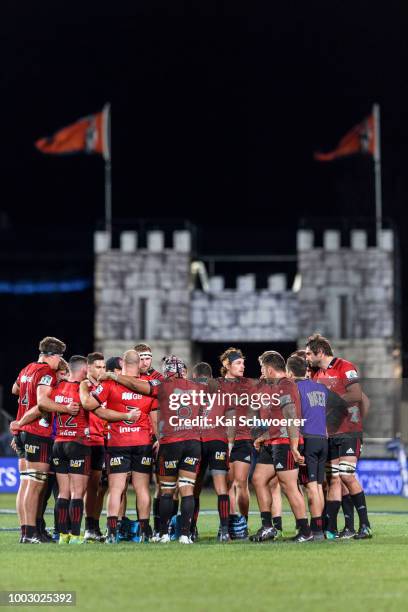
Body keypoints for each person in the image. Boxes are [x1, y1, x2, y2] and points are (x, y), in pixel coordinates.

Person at [98, 354, 202, 544]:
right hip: (193, 442)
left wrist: (114, 376)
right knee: (187, 490)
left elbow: (140, 387)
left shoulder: (163, 387)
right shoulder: (197, 388)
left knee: (167, 490)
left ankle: (161, 533)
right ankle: (185, 535)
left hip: (170, 442)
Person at [81, 350, 157, 543]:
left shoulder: (109, 383)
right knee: (142, 489)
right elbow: (156, 420)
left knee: (116, 488)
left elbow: (89, 404)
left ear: (122, 363)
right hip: (142, 442)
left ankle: (112, 532)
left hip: (118, 442)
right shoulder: (147, 386)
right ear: (139, 364)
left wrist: (101, 410)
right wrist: (159, 440)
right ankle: (145, 532)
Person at [10, 336, 79, 543]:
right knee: (35, 483)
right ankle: (31, 533)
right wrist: (65, 408)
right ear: (53, 356)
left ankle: (27, 531)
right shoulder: (46, 372)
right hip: (36, 431)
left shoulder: (27, 369)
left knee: (26, 483)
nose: (61, 361)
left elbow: (15, 390)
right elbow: (42, 403)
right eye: (60, 357)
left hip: (22, 430)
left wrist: (26, 404)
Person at [305, 333, 372, 539]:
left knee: (346, 475)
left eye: (309, 353)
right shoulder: (316, 375)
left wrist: (358, 425)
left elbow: (358, 395)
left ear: (320, 352)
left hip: (348, 433)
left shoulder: (345, 367)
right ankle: (337, 528)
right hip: (329, 435)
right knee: (335, 479)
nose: (307, 357)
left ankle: (365, 526)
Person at [251, 351, 313, 543]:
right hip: (272, 442)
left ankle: (305, 531)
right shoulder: (272, 386)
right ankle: (268, 527)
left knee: (289, 486)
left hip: (285, 443)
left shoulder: (286, 386)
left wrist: (294, 447)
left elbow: (291, 418)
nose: (261, 372)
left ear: (270, 369)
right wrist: (264, 436)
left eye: (262, 368)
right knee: (258, 479)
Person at [286, 354, 348, 540]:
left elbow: (293, 420)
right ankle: (319, 529)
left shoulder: (294, 389)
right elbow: (342, 407)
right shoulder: (320, 388)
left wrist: (294, 447)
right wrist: (327, 426)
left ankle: (316, 531)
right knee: (319, 486)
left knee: (311, 487)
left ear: (289, 372)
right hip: (322, 440)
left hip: (309, 440)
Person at [192, 362, 231, 542]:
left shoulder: (191, 391)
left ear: (195, 375)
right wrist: (229, 443)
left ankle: (191, 529)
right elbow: (231, 416)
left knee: (194, 489)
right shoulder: (222, 391)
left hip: (198, 442)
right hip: (218, 441)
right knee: (221, 487)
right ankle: (224, 531)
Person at [219, 347, 251, 539]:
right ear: (227, 365)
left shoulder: (248, 385)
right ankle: (230, 523)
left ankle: (243, 522)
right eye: (238, 363)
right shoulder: (217, 385)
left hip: (243, 438)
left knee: (241, 483)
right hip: (223, 440)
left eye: (243, 363)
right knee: (228, 483)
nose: (242, 366)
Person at [83, 352, 107, 542]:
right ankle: (81, 526)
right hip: (86, 441)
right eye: (98, 367)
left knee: (99, 487)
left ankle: (94, 525)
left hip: (103, 441)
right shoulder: (84, 386)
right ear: (89, 367)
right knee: (85, 487)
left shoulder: (105, 387)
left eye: (103, 367)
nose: (101, 370)